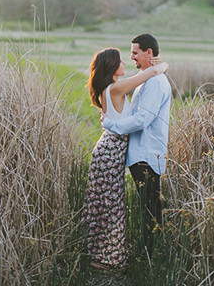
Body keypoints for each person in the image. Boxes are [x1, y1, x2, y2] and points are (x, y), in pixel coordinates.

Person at [84, 47, 168, 271]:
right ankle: (105, 259)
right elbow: (147, 75)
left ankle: (103, 256)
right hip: (110, 153)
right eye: (121, 61)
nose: (125, 63)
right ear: (112, 66)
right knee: (110, 206)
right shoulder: (116, 87)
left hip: (109, 151)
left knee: (106, 204)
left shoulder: (110, 89)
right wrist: (161, 65)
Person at [101, 34, 172, 259]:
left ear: (149, 53)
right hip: (141, 154)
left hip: (147, 154)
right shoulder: (147, 78)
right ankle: (150, 255)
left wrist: (110, 124)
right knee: (148, 208)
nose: (131, 57)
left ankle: (151, 257)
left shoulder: (155, 82)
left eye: (135, 52)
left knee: (150, 210)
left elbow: (142, 120)